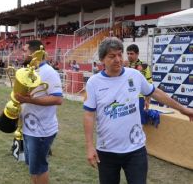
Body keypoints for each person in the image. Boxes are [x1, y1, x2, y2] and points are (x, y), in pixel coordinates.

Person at [83, 37, 193, 184]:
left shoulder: (134, 75)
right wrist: (90, 146)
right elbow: (89, 115)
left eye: (119, 54)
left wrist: (183, 109)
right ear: (102, 59)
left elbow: (156, 93)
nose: (117, 59)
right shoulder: (94, 82)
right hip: (106, 151)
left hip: (135, 150)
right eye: (112, 56)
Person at [14, 40, 63, 184]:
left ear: (34, 53)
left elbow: (58, 99)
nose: (22, 54)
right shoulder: (30, 71)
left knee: (40, 167)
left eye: (25, 51)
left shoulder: (49, 72)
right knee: (33, 167)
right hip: (29, 129)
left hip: (42, 131)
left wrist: (28, 100)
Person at [126, 44, 152, 124]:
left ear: (137, 54)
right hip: (126, 97)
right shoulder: (124, 65)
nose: (129, 56)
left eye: (131, 53)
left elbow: (149, 83)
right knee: (126, 121)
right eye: (128, 53)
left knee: (139, 121)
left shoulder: (144, 66)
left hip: (139, 97)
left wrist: (147, 100)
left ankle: (140, 136)